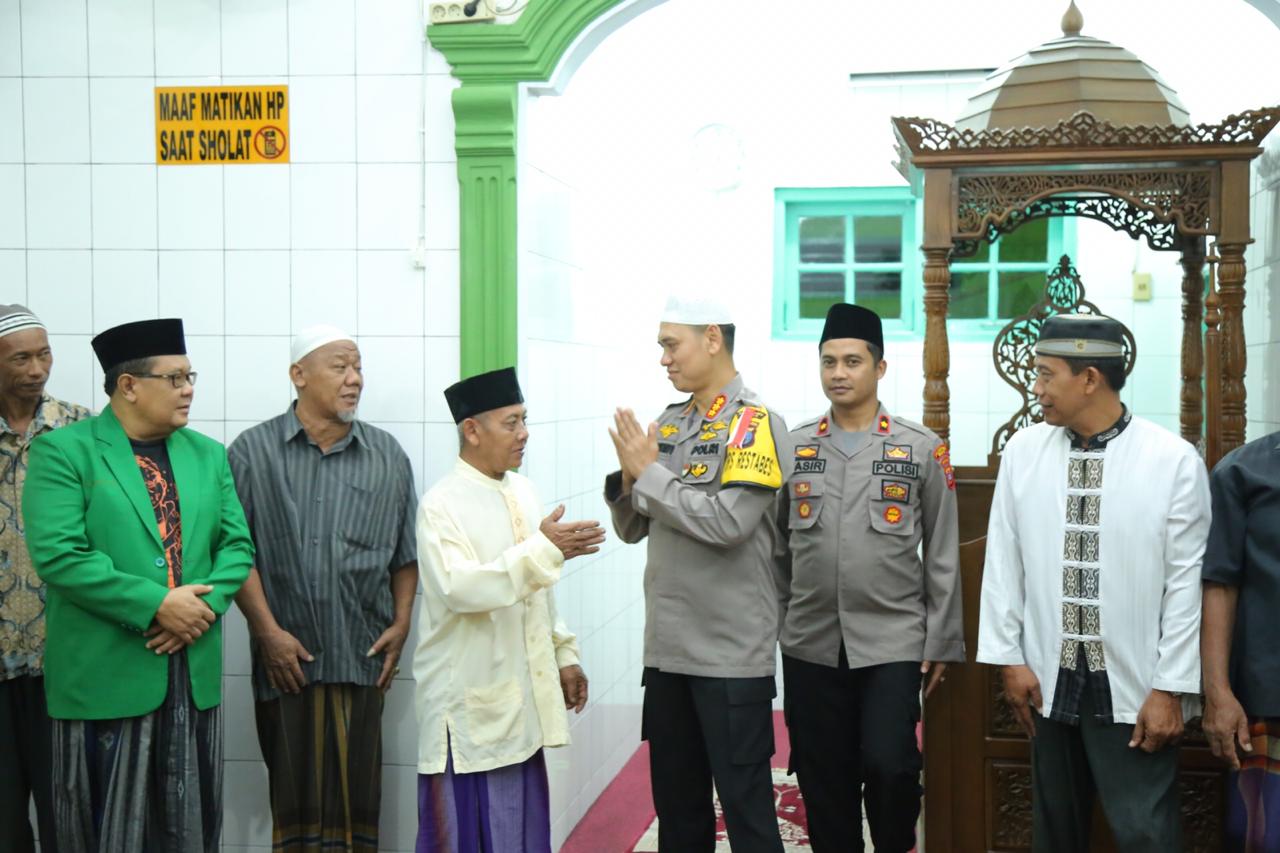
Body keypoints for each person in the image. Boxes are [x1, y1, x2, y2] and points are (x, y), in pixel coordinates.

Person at [976, 313, 1209, 852]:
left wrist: (1169, 687)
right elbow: (1003, 564)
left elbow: (1186, 586)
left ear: (1089, 378)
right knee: (1055, 832)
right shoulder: (1024, 453)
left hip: (1134, 685)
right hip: (1048, 678)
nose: (1036, 388)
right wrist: (1010, 658)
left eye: (1045, 374)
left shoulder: (1171, 460)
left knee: (1145, 831)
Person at [23, 318, 254, 852]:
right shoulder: (65, 453)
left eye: (189, 376)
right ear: (129, 385)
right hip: (106, 676)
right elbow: (60, 555)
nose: (189, 388)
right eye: (174, 378)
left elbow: (237, 546)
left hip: (189, 675)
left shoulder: (207, 453)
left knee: (189, 828)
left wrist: (200, 609)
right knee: (104, 829)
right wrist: (156, 605)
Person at [605, 296, 790, 853]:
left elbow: (728, 523)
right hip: (667, 654)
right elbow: (633, 529)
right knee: (679, 818)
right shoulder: (669, 422)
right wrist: (626, 480)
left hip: (729, 656)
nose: (664, 358)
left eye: (671, 343)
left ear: (712, 339)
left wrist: (648, 474)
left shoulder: (755, 425)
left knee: (748, 815)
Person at [777, 303, 963, 852]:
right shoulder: (794, 446)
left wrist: (941, 639)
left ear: (879, 368)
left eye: (853, 361)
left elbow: (944, 553)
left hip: (892, 639)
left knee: (891, 766)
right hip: (811, 642)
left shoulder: (921, 448)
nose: (839, 373)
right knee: (821, 775)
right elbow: (775, 549)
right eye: (829, 361)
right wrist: (782, 620)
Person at [228, 324, 419, 853]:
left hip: (363, 656)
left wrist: (402, 624)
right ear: (298, 375)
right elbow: (235, 554)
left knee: (360, 808)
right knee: (294, 806)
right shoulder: (251, 453)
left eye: (357, 367)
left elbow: (406, 556)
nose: (354, 379)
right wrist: (266, 632)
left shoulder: (387, 455)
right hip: (287, 662)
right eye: (340, 367)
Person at [413, 367, 600, 852]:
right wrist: (545, 550)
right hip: (467, 713)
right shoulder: (441, 505)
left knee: (516, 834)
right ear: (471, 430)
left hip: (519, 704)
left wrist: (564, 654)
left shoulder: (522, 490)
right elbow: (461, 588)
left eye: (524, 420)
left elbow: (537, 591)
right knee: (465, 836)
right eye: (511, 422)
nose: (524, 434)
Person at [0, 305, 90, 853]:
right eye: (21, 359)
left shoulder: (81, 430)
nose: (37, 370)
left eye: (44, 355)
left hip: (65, 660)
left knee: (69, 817)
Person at [1201, 430, 1280, 850]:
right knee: (1266, 837)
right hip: (1269, 698)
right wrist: (1218, 693)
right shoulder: (1242, 472)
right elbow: (1219, 584)